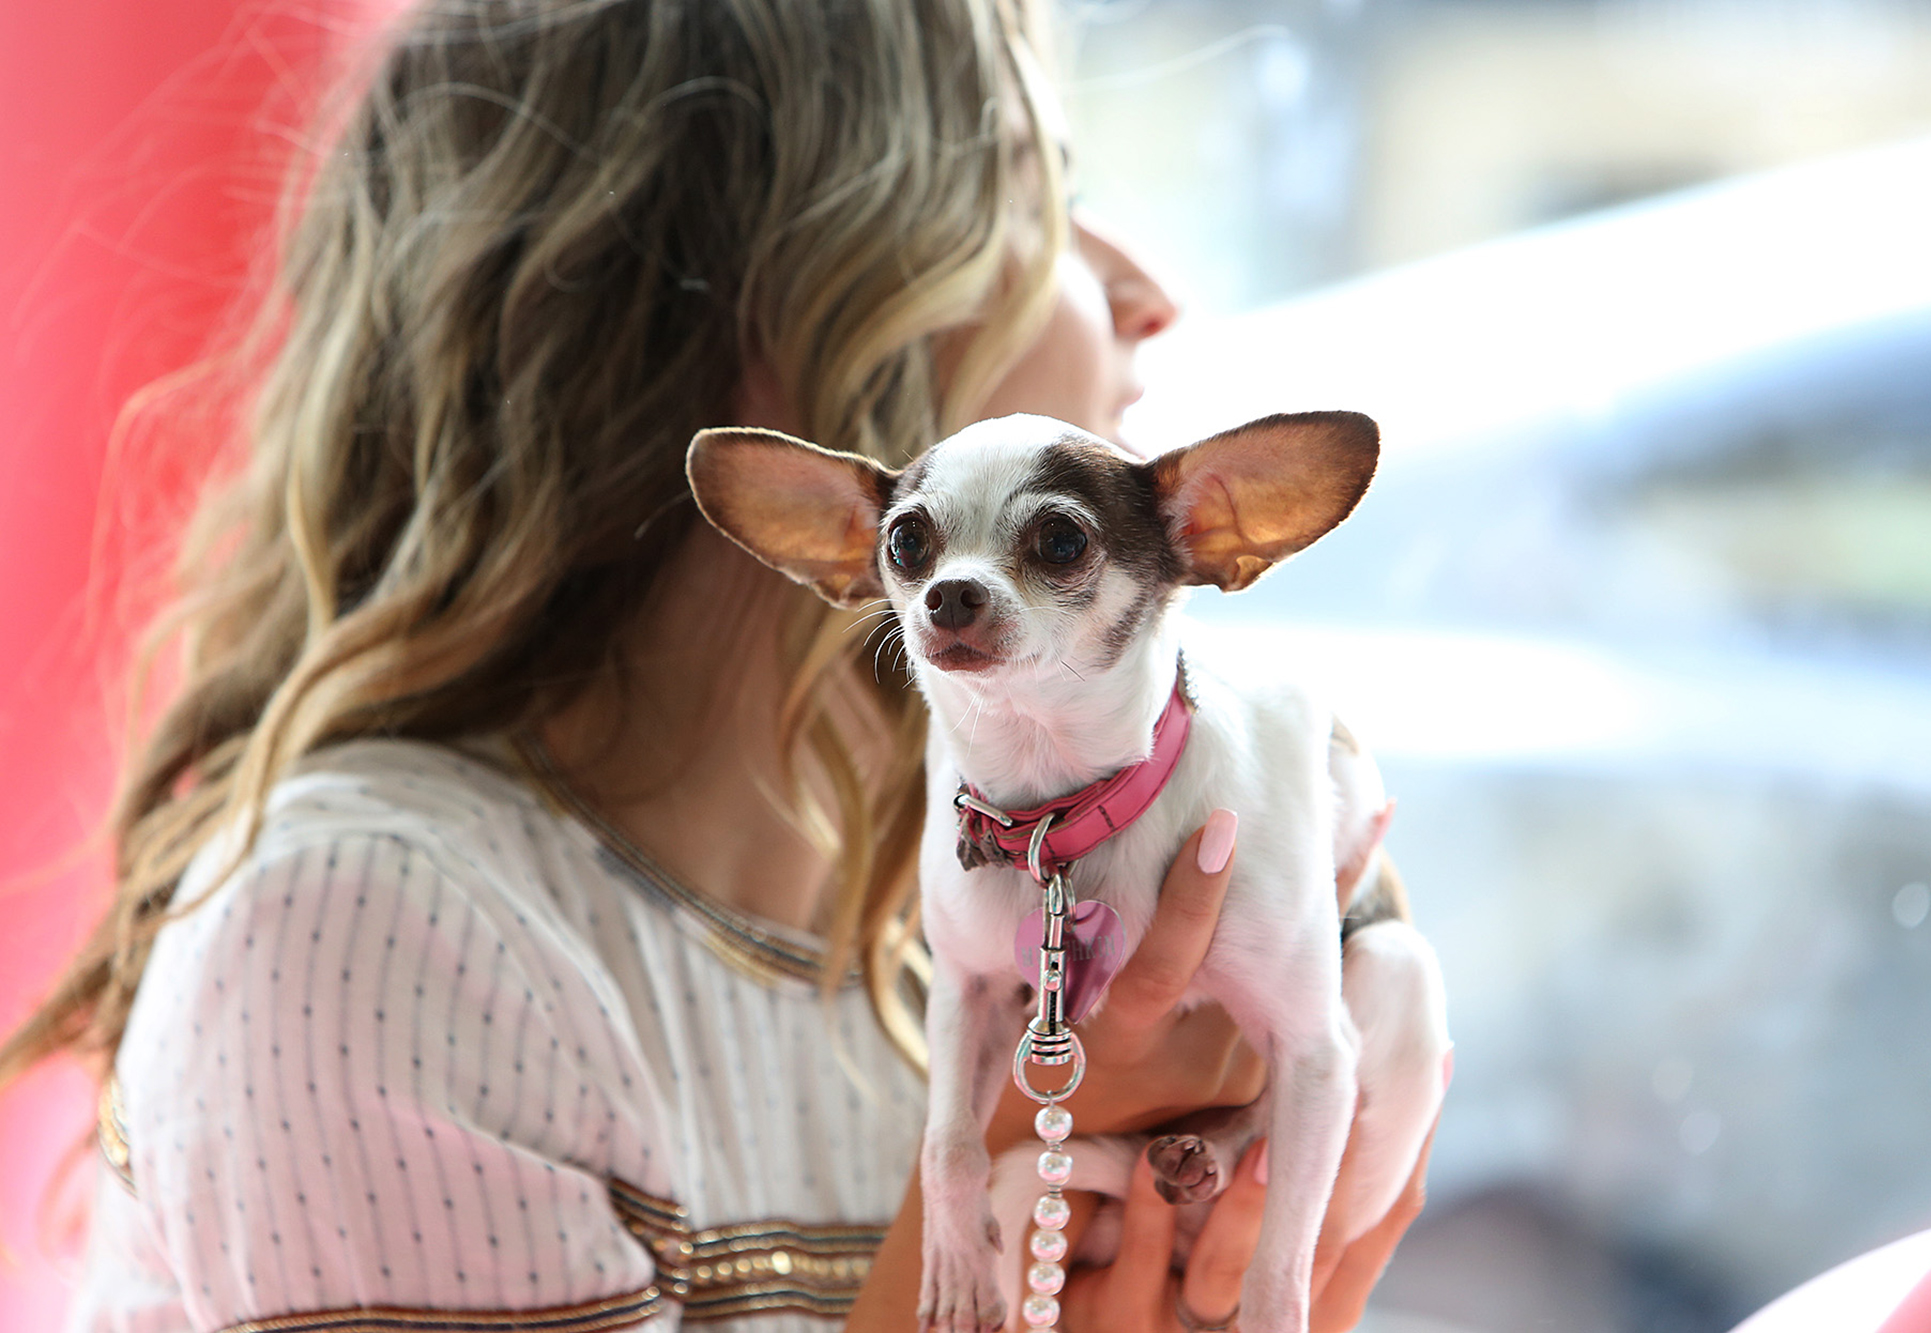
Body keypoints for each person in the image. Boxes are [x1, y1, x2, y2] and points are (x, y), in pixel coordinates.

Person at [0, 1, 1437, 1329]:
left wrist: (1350, 931)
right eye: (1034, 185)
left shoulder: (935, 932)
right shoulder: (372, 941)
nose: (1149, 288)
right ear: (795, 317)